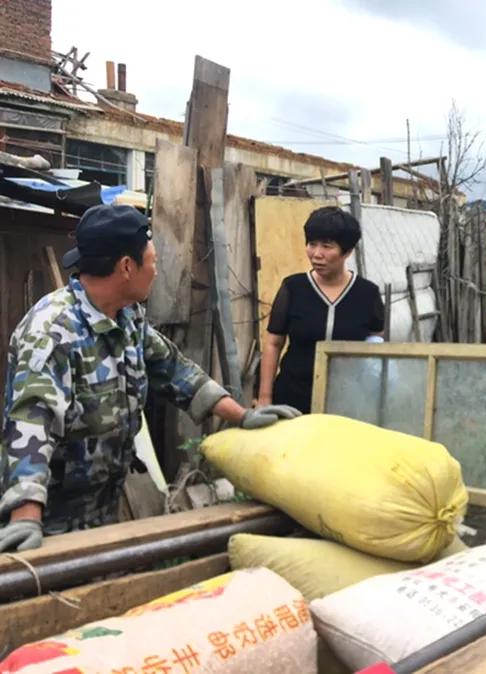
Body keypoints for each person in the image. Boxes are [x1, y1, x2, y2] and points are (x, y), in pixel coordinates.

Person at [0, 204, 300, 552]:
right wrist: (25, 516)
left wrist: (243, 416)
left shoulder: (127, 318)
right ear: (126, 266)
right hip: (48, 521)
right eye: (153, 261)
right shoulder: (52, 332)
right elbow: (30, 422)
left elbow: (175, 370)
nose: (156, 271)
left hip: (101, 510)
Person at [258, 207, 384, 414]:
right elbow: (273, 343)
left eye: (327, 246)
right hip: (293, 398)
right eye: (312, 244)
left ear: (347, 251)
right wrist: (265, 398)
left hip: (347, 401)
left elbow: (376, 349)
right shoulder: (293, 288)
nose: (317, 254)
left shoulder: (367, 294)